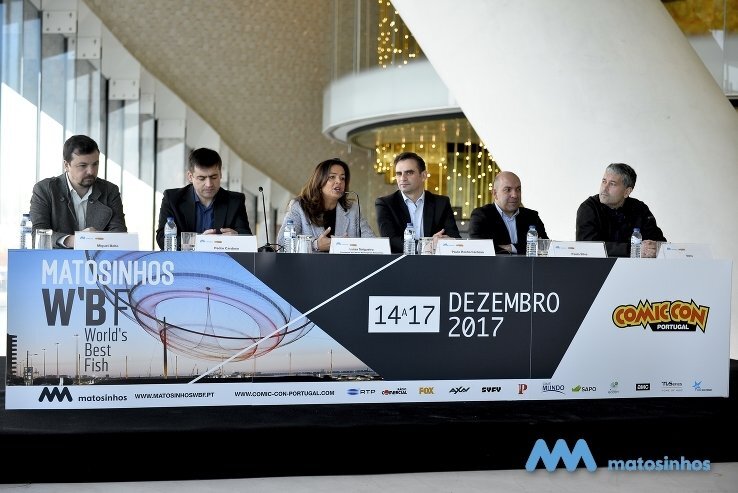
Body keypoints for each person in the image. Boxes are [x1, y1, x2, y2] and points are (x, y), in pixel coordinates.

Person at [30, 134, 127, 248]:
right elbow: (38, 235)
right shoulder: (44, 189)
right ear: (67, 165)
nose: (91, 171)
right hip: (56, 259)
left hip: (100, 259)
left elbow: (120, 236)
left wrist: (95, 240)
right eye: (83, 165)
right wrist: (74, 240)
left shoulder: (110, 191)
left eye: (95, 164)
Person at [156, 147, 252, 250]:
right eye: (202, 178)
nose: (209, 184)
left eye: (214, 177)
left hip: (221, 259)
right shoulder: (172, 199)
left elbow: (247, 238)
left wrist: (238, 238)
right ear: (190, 176)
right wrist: (199, 241)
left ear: (221, 174)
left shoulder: (235, 201)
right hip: (183, 259)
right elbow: (162, 238)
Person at [276, 158, 375, 252]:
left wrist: (350, 245)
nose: (339, 181)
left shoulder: (353, 209)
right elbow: (282, 243)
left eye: (343, 178)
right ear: (319, 181)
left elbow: (372, 242)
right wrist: (316, 245)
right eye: (332, 177)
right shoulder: (299, 207)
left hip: (345, 264)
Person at [375, 151, 460, 253]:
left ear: (423, 175)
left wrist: (445, 241)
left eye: (409, 173)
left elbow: (454, 238)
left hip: (435, 261)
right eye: (399, 174)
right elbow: (390, 241)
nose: (402, 178)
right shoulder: (385, 204)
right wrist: (426, 246)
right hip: (400, 261)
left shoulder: (441, 203)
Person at [576, 162, 666, 257]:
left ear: (627, 192)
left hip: (635, 266)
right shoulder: (588, 208)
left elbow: (659, 243)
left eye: (612, 184)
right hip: (598, 266)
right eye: (604, 181)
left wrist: (653, 248)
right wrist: (634, 249)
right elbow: (588, 247)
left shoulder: (639, 209)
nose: (604, 188)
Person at [468, 171, 548, 254]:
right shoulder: (481, 215)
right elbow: (481, 249)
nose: (515, 195)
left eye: (518, 189)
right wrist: (525, 247)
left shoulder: (532, 216)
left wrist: (511, 248)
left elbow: (545, 247)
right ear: (495, 194)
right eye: (508, 190)